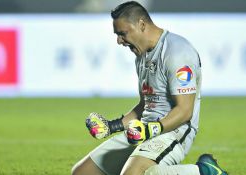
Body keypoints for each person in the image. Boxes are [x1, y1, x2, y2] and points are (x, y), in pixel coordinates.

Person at [72, 1, 228, 175]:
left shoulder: (177, 52)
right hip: (144, 129)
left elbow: (185, 111)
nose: (118, 41)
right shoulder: (141, 55)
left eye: (122, 33)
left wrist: (150, 129)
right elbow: (145, 105)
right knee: (82, 172)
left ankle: (204, 172)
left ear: (141, 25)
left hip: (173, 131)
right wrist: (111, 126)